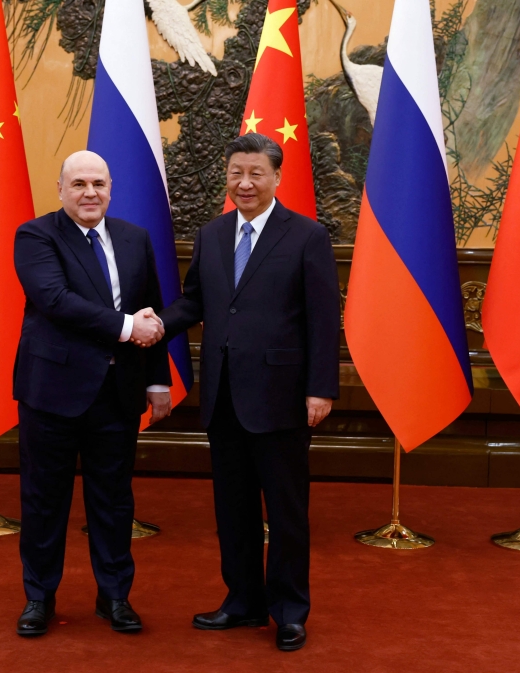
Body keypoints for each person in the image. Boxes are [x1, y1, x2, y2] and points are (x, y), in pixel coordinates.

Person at [159, 133, 341, 652]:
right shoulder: (212, 234)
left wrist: (320, 388)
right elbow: (195, 302)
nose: (245, 183)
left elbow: (323, 319)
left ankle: (289, 611)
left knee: (286, 512)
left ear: (276, 177)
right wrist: (152, 324)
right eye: (236, 173)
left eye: (256, 173)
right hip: (223, 397)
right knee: (232, 510)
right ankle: (242, 600)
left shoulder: (307, 236)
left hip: (282, 397)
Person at [12, 150, 171, 637]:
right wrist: (126, 327)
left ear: (110, 189)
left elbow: (152, 311)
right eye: (79, 184)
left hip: (117, 394)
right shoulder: (36, 235)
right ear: (60, 189)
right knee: (44, 501)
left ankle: (115, 596)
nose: (89, 193)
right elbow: (55, 300)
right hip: (52, 394)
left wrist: (157, 381)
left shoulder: (134, 238)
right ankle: (39, 597)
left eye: (98, 184)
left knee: (114, 501)